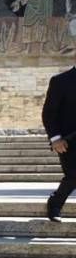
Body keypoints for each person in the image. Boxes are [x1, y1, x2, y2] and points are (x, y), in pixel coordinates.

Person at [42, 64, 76, 222]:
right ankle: (55, 204)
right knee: (73, 176)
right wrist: (55, 138)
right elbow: (49, 112)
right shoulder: (60, 81)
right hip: (68, 142)